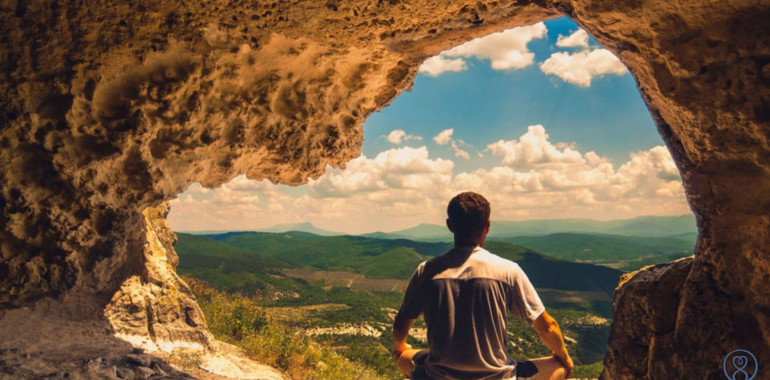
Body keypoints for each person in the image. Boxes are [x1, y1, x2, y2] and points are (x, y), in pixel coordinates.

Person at [392, 192, 574, 380]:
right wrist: (564, 356)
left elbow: (400, 326)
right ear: (487, 226)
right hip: (498, 377)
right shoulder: (508, 270)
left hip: (439, 376)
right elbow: (547, 326)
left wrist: (400, 347)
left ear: (450, 225)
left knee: (404, 356)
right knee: (559, 366)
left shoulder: (427, 271)